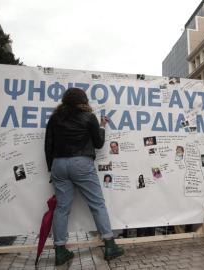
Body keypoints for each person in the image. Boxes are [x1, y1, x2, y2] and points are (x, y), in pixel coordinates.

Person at [45, 88, 124, 266]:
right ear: (84, 100)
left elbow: (48, 144)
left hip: (59, 164)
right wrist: (103, 125)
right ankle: (110, 245)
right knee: (97, 204)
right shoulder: (89, 117)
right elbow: (98, 143)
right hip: (81, 163)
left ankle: (60, 251)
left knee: (62, 209)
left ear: (65, 100)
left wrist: (52, 168)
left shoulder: (55, 118)